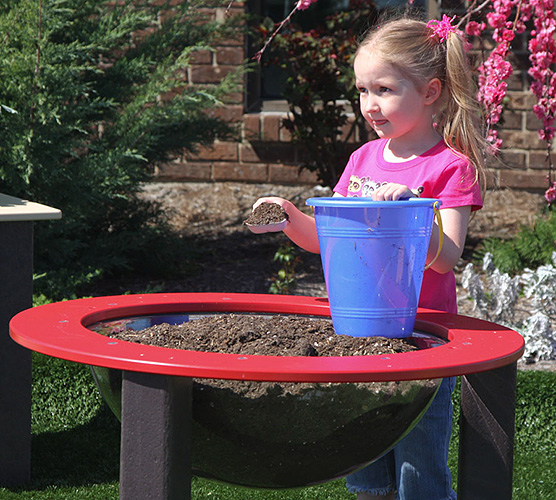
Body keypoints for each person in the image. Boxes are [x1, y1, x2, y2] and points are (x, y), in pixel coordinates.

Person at [251, 14, 487, 500]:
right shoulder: (362, 160)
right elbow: (329, 239)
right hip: (361, 333)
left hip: (423, 338)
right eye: (362, 90)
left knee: (418, 466)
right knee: (367, 462)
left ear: (430, 92)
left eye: (384, 89)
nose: (370, 105)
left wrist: (413, 214)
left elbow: (446, 257)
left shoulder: (451, 168)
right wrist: (288, 216)